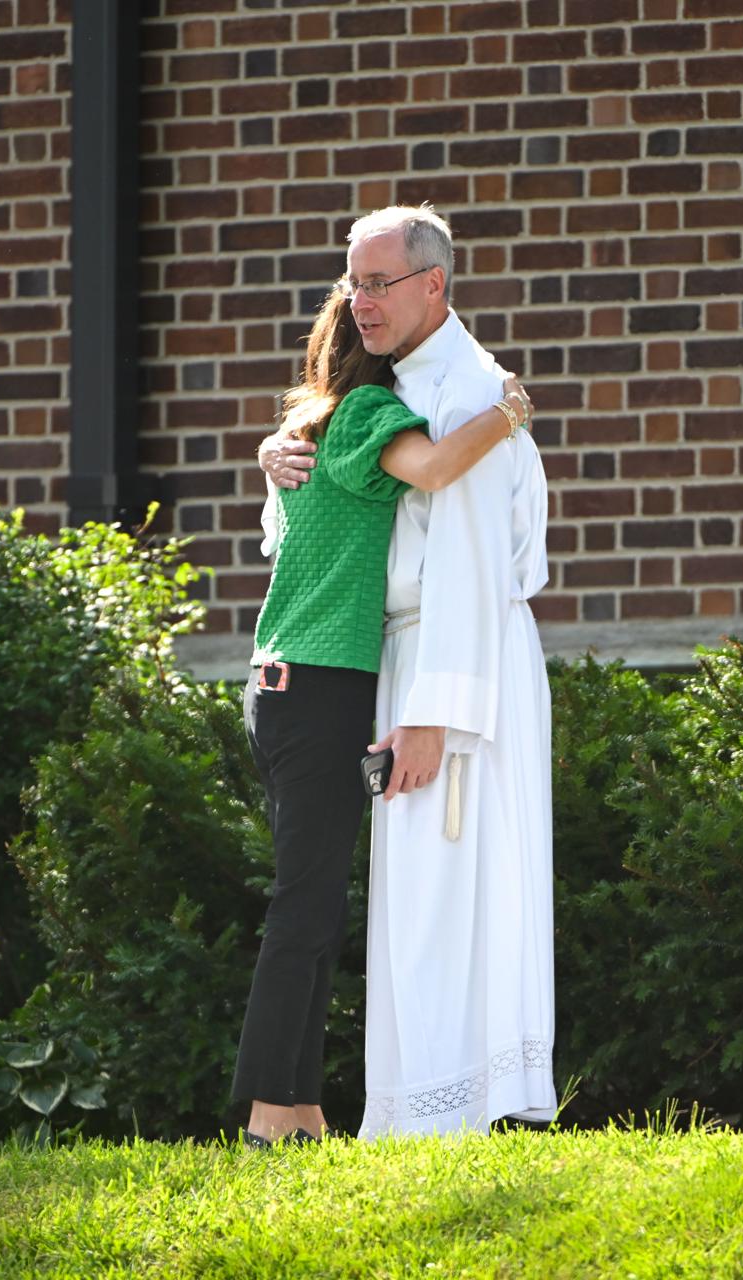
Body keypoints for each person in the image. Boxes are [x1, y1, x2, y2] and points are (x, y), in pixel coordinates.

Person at [262, 205, 557, 1140]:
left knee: (445, 895)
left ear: (435, 284)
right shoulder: (394, 387)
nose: (360, 302)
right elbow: (303, 532)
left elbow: (466, 556)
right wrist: (274, 460)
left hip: (450, 668)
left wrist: (433, 712)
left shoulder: (465, 387)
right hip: (390, 659)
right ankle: (422, 1110)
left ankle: (451, 1115)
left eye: (379, 282)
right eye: (352, 283)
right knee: (416, 899)